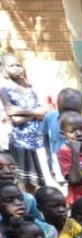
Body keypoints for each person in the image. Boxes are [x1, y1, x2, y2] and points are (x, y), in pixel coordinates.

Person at [1, 53, 48, 191]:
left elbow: (45, 112)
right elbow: (16, 119)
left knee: (44, 180)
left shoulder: (31, 88)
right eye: (11, 66)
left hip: (40, 140)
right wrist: (35, 113)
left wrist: (21, 111)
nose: (16, 68)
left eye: (18, 65)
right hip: (21, 142)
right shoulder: (4, 90)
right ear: (4, 69)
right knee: (27, 183)